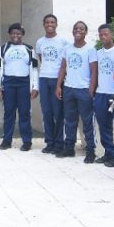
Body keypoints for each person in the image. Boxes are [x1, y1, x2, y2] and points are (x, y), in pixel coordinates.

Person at [55, 21, 98, 161]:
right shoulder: (67, 48)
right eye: (75, 28)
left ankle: (90, 150)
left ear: (86, 32)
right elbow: (62, 68)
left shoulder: (90, 49)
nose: (78, 30)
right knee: (70, 120)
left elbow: (94, 71)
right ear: (72, 31)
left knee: (87, 121)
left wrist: (91, 90)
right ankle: (69, 148)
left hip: (84, 90)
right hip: (69, 89)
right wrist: (58, 86)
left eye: (81, 29)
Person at [0, 23, 37, 151]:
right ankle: (6, 140)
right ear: (10, 34)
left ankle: (26, 141)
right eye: (13, 33)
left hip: (24, 83)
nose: (16, 35)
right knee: (9, 113)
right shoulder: (3, 48)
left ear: (22, 34)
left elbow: (35, 69)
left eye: (18, 33)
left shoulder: (29, 49)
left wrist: (35, 87)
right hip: (9, 83)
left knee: (24, 113)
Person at [35, 14, 69, 154]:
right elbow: (41, 59)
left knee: (58, 112)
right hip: (44, 78)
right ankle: (49, 142)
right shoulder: (40, 42)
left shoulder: (63, 41)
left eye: (52, 22)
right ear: (43, 24)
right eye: (47, 22)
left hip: (57, 80)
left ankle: (59, 143)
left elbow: (65, 63)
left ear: (56, 24)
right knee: (47, 112)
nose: (50, 24)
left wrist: (59, 83)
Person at [94, 24, 114, 165]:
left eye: (106, 34)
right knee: (103, 125)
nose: (103, 37)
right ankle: (109, 153)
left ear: (112, 34)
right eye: (101, 34)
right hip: (101, 93)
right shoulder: (98, 53)